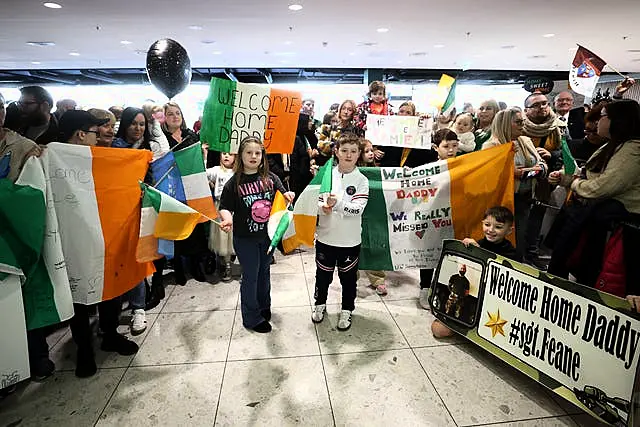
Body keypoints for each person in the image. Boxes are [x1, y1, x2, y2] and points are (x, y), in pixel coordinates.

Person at [58, 110, 140, 377]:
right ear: (81, 134)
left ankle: (110, 333)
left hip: (105, 237)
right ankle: (84, 349)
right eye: (95, 131)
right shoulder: (50, 156)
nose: (100, 135)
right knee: (79, 298)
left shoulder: (104, 156)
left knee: (111, 288)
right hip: (73, 240)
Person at [547, 100, 640, 285]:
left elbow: (601, 187)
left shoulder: (632, 150)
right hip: (591, 217)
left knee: (588, 276)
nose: (598, 123)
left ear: (618, 120)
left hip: (613, 228)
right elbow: (590, 176)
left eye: (603, 117)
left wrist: (574, 183)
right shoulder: (613, 145)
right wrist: (567, 179)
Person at [0, 92, 53, 382]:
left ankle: (37, 355)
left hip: (17, 234)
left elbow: (33, 191)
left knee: (23, 296)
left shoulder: (24, 148)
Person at [219, 136, 294, 333]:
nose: (253, 156)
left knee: (264, 273)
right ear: (240, 156)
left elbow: (283, 198)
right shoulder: (233, 183)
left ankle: (263, 307)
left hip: (268, 237)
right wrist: (226, 219)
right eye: (248, 152)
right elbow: (225, 207)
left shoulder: (272, 179)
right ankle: (251, 318)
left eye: (257, 153)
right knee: (251, 276)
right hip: (245, 239)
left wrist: (289, 196)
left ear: (263, 156)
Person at [311, 134, 369, 331]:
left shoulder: (362, 180)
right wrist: (322, 208)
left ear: (359, 154)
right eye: (344, 150)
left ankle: (347, 309)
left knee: (348, 280)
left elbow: (357, 209)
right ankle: (319, 304)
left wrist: (338, 205)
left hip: (349, 241)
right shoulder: (326, 174)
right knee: (322, 276)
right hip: (325, 237)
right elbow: (315, 200)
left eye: (353, 151)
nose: (348, 155)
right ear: (336, 151)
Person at [431, 206, 518, 338]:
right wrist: (466, 251)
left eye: (498, 227)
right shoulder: (477, 244)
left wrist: (480, 253)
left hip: (492, 305)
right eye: (487, 224)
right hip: (470, 297)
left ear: (509, 230)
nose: (491, 230)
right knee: (438, 330)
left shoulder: (512, 254)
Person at [483, 108, 547, 262]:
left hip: (525, 198)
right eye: (518, 122)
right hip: (504, 201)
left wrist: (536, 170)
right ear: (505, 123)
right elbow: (490, 176)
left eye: (523, 121)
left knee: (520, 237)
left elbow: (541, 163)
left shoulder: (525, 140)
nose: (522, 125)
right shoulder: (491, 146)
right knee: (502, 239)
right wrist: (519, 172)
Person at [111, 107, 149, 334]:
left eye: (142, 124)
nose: (138, 128)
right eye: (134, 123)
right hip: (115, 214)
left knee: (137, 259)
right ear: (124, 124)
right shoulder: (111, 149)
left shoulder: (145, 149)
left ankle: (138, 308)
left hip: (138, 212)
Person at [161, 101, 208, 283]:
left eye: (178, 113)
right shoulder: (163, 140)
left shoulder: (191, 136)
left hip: (193, 186)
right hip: (173, 188)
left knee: (195, 227)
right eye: (171, 113)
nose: (175, 116)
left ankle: (196, 266)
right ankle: (179, 268)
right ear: (165, 118)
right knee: (177, 227)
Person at [522, 92, 568, 267]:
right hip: (523, 181)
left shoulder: (559, 128)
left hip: (544, 182)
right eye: (536, 105)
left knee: (536, 218)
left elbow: (566, 153)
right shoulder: (520, 127)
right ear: (526, 110)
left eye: (544, 103)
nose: (542, 107)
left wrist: (552, 155)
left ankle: (532, 254)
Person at [417, 129, 460, 309]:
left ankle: (443, 289)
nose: (451, 150)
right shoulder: (430, 168)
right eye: (446, 146)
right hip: (433, 218)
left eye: (454, 146)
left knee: (449, 254)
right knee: (428, 252)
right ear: (436, 148)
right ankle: (425, 288)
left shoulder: (464, 165)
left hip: (454, 217)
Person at [206, 152, 236, 282]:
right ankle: (226, 265)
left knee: (235, 237)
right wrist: (204, 155)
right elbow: (202, 173)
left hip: (235, 208)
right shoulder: (217, 170)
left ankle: (238, 261)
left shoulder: (238, 172)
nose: (226, 156)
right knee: (223, 237)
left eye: (230, 154)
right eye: (224, 154)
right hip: (220, 207)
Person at [289, 113, 316, 203]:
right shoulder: (295, 138)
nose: (311, 123)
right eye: (308, 121)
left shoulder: (306, 136)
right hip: (297, 177)